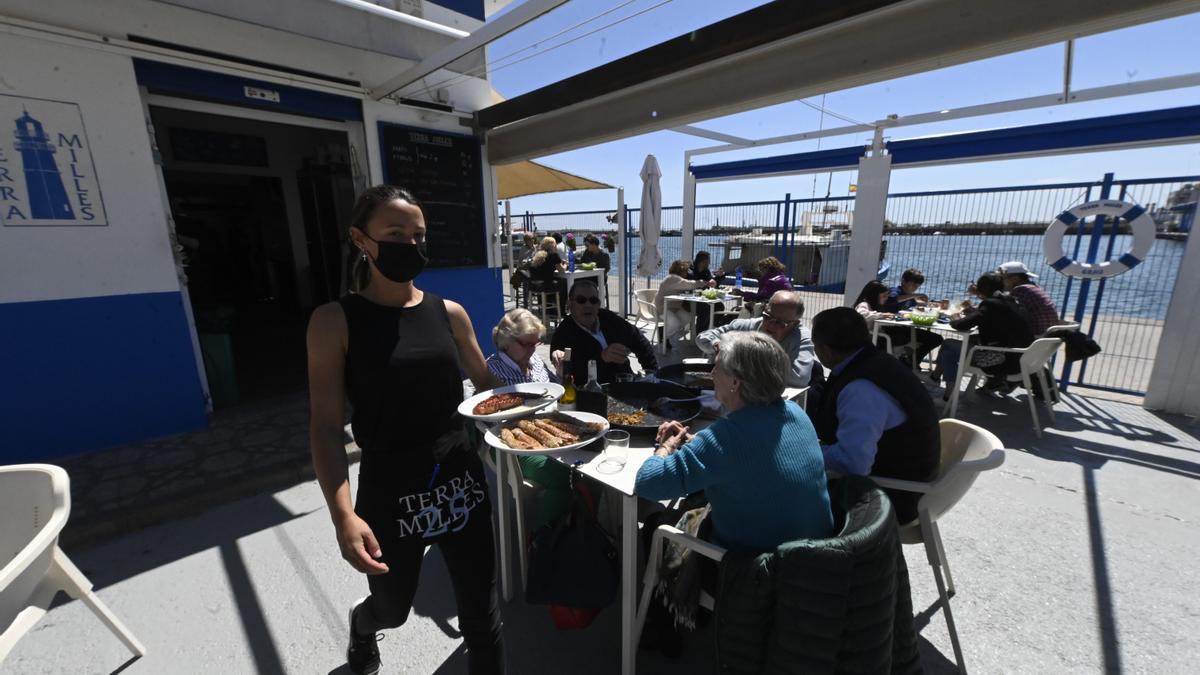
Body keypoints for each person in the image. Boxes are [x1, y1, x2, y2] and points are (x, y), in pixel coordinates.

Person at [307, 185, 504, 675]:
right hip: (391, 492)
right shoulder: (334, 322)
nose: (410, 245)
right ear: (361, 239)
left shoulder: (450, 313)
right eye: (395, 233)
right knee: (392, 610)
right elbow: (327, 429)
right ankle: (363, 624)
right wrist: (342, 516)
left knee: (481, 613)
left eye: (417, 235)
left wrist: (541, 388)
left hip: (462, 482)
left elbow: (488, 388)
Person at [636, 331, 834, 552]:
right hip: (816, 556)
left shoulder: (725, 438)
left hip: (757, 569)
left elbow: (647, 484)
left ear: (735, 382)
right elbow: (753, 456)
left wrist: (666, 447)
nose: (711, 373)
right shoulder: (795, 412)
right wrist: (696, 443)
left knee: (654, 525)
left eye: (717, 366)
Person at [806, 307, 940, 524]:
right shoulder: (875, 361)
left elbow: (853, 464)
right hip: (909, 477)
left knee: (782, 491)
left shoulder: (861, 389)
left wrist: (801, 451)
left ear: (826, 350)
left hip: (895, 497)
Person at [485, 309, 571, 528]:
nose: (532, 350)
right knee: (564, 476)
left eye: (536, 343)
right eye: (526, 344)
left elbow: (556, 390)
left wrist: (560, 372)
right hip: (511, 443)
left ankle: (577, 524)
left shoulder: (534, 361)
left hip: (546, 431)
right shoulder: (492, 369)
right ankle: (543, 538)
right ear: (506, 339)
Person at [934, 271, 1035, 397]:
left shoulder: (991, 304)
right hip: (1021, 358)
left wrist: (954, 319)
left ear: (982, 289)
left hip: (1000, 361)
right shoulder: (1012, 301)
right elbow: (988, 318)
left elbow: (962, 325)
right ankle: (941, 389)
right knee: (956, 349)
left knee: (948, 344)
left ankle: (938, 383)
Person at [696, 290, 822, 388]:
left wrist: (742, 364)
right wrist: (716, 344)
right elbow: (703, 337)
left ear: (795, 323)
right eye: (767, 316)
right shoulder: (747, 325)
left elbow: (799, 378)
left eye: (780, 323)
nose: (770, 325)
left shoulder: (802, 338)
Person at [550, 280, 658, 384]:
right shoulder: (563, 333)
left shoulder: (607, 318)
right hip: (593, 394)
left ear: (598, 304)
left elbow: (637, 338)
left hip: (626, 385)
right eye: (581, 300)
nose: (588, 305)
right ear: (570, 304)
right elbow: (573, 374)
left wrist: (652, 372)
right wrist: (602, 357)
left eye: (593, 300)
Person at [879, 269, 943, 366]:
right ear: (903, 281)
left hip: (905, 328)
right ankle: (909, 362)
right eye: (913, 284)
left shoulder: (910, 297)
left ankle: (912, 361)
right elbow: (892, 299)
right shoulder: (895, 291)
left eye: (918, 285)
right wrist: (915, 295)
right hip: (890, 328)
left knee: (937, 338)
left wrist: (930, 306)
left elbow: (915, 306)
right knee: (925, 338)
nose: (915, 288)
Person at [654, 260, 714, 345]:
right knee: (676, 325)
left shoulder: (674, 278)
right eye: (686, 271)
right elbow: (689, 284)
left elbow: (683, 287)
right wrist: (704, 283)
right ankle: (663, 335)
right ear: (681, 271)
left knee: (689, 316)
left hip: (673, 307)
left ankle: (664, 331)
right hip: (662, 308)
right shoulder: (672, 278)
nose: (687, 273)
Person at [998, 260, 1060, 335]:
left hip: (1035, 335)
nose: (1000, 281)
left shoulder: (1021, 290)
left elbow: (1009, 315)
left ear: (1015, 278)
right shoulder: (1034, 287)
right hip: (1047, 335)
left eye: (1002, 278)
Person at [527, 236, 566, 313]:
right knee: (564, 283)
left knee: (552, 281)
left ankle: (548, 308)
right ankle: (561, 310)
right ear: (553, 245)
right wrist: (565, 264)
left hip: (534, 286)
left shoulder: (537, 255)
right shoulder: (554, 255)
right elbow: (562, 270)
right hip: (545, 286)